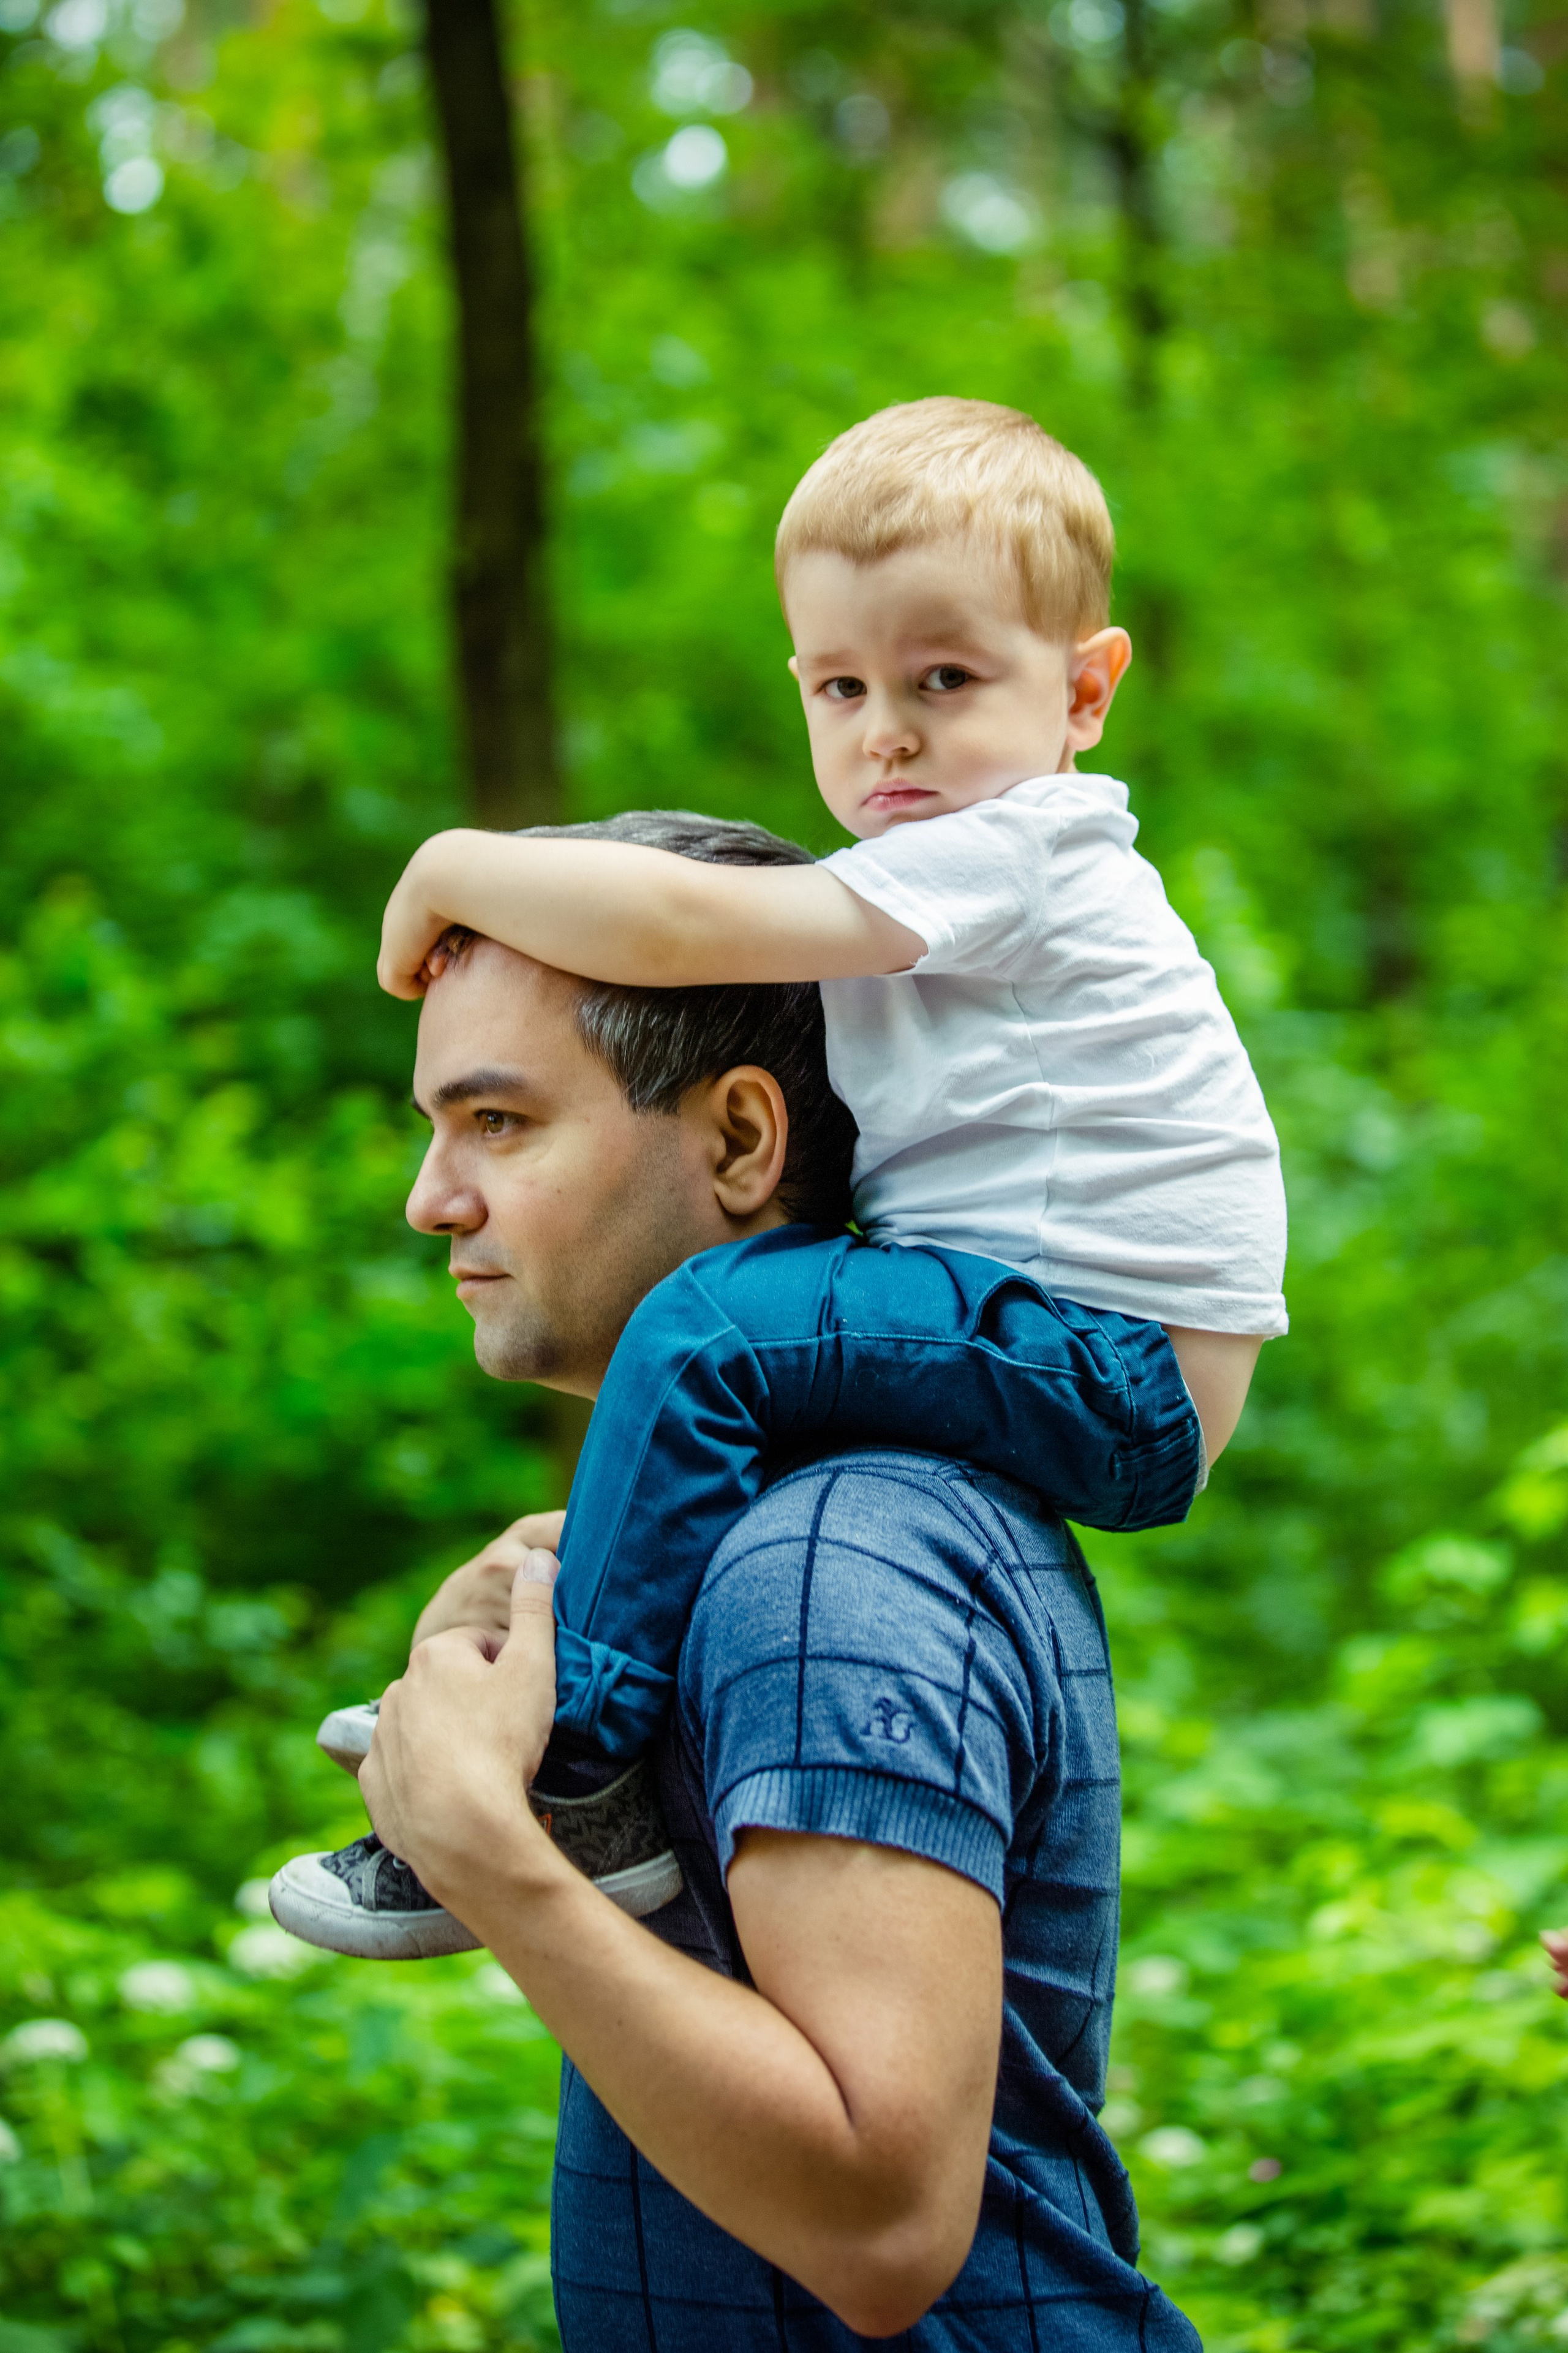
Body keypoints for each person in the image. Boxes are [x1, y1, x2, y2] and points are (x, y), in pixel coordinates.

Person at [274, 396, 1287, 1960]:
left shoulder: (1012, 850)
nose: (885, 731)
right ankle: (582, 1668)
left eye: (942, 680)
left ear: (1084, 690)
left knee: (709, 1323)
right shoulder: (942, 885)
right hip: (1060, 1334)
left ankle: (579, 1779)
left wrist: (450, 867)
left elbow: (681, 936)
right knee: (718, 1393)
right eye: (839, 684)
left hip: (1114, 1359)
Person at [283, 866, 1204, 2346]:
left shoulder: (829, 1557)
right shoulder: (774, 1533)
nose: (429, 1197)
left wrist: (491, 1857)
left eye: (498, 1121)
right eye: (433, 1128)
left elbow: (883, 2225)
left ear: (740, 1139)